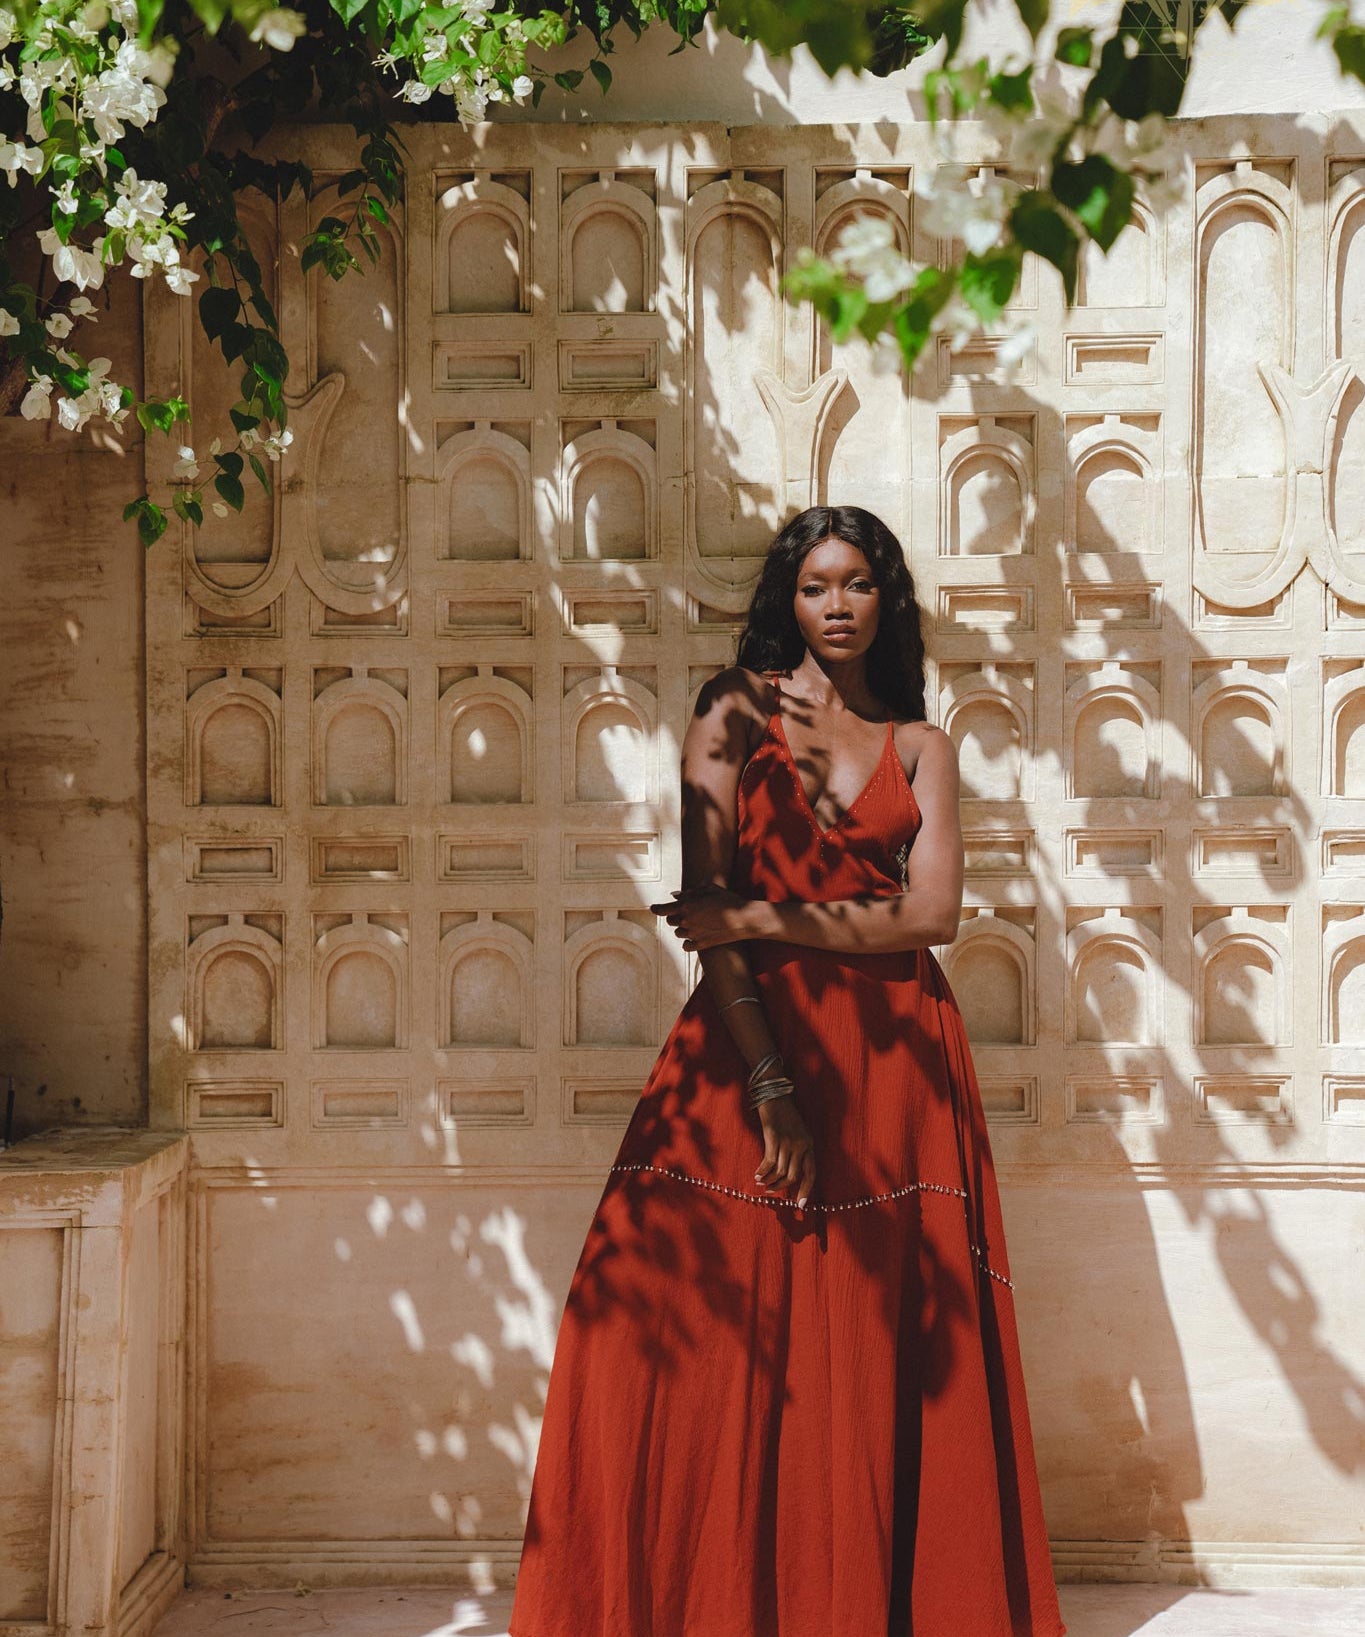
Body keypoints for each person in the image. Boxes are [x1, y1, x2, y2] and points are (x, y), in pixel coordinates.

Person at [507, 505, 1067, 1637]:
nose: (839, 604)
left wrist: (763, 909)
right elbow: (709, 924)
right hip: (746, 1040)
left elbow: (934, 917)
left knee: (865, 1343)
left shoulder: (922, 744)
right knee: (660, 1335)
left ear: (885, 597)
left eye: (858, 582)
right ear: (788, 597)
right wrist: (767, 1082)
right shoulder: (731, 711)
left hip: (900, 1058)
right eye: (817, 585)